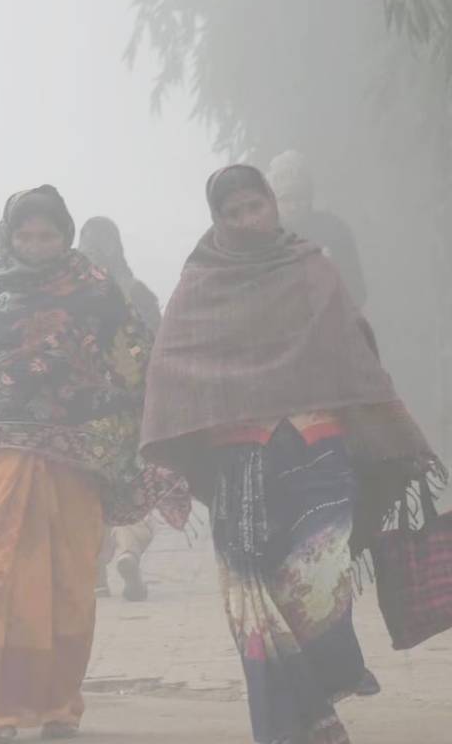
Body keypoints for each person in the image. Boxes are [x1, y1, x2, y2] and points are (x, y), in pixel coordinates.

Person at [140, 164, 446, 744]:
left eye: (256, 206)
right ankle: (300, 723)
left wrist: (388, 433)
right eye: (233, 213)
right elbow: (172, 368)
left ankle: (318, 697)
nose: (248, 220)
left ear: (274, 205)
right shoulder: (201, 282)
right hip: (241, 464)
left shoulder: (312, 268)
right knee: (251, 594)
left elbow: (352, 350)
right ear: (217, 221)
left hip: (317, 453)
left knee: (320, 586)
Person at [0, 186, 187, 742]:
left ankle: (61, 705)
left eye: (48, 235)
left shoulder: (95, 289)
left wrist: (152, 437)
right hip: (1, 464)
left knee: (67, 584)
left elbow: (134, 363)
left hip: (75, 467)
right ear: (8, 235)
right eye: (26, 235)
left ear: (66, 236)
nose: (36, 245)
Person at [79, 216, 162, 601]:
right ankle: (128, 552)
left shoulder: (67, 295)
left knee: (88, 494)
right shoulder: (138, 292)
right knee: (131, 490)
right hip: (131, 413)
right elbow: (160, 353)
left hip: (83, 416)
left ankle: (95, 573)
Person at [267, 150, 367, 309]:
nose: (294, 206)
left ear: (311, 195)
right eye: (286, 198)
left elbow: (357, 290)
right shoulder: (265, 238)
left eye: (300, 197)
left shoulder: (335, 230)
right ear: (273, 200)